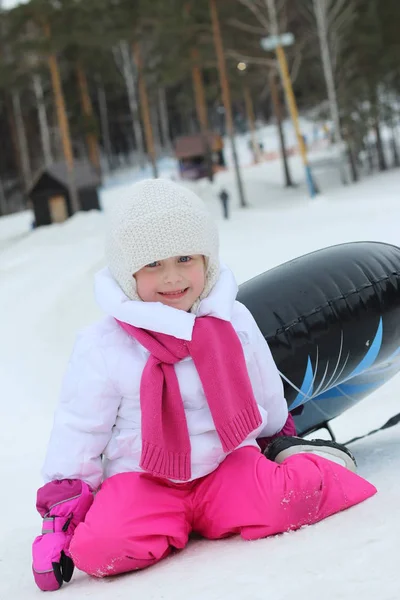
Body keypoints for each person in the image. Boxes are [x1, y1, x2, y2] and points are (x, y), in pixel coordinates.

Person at [32, 179, 376, 591]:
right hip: (143, 479)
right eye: (153, 264)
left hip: (226, 464)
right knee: (100, 549)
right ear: (128, 273)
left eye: (184, 258)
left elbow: (263, 388)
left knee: (289, 498)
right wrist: (60, 513)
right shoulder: (103, 345)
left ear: (206, 260)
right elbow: (81, 428)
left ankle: (312, 465)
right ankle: (170, 522)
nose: (172, 277)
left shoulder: (232, 321)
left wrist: (277, 438)